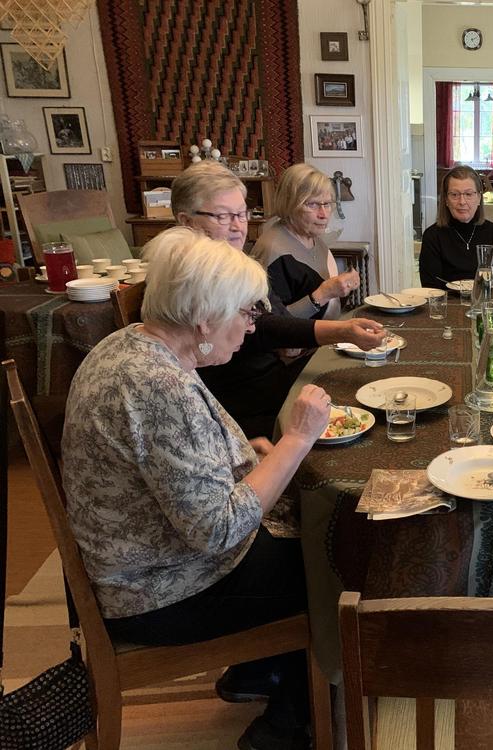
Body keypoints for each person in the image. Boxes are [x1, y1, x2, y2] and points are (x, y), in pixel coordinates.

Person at [62, 228, 336, 750]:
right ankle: (287, 723)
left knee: (302, 528)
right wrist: (296, 440)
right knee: (329, 564)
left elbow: (170, 462)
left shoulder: (130, 344)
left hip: (143, 556)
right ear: (205, 318)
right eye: (248, 312)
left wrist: (240, 453)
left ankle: (256, 671)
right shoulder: (158, 385)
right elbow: (219, 530)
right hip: (159, 590)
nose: (252, 326)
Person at [170, 161, 383, 438]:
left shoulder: (238, 263)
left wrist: (338, 331)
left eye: (242, 214)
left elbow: (276, 316)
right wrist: (342, 331)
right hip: (245, 406)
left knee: (363, 382)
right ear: (186, 222)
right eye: (223, 216)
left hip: (272, 381)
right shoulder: (188, 276)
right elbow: (265, 328)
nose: (237, 227)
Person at [251, 163, 359, 321]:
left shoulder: (313, 237)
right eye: (312, 204)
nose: (323, 214)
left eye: (327, 204)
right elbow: (270, 324)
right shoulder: (272, 252)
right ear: (289, 204)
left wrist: (344, 286)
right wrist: (323, 294)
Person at [418, 163, 493, 289]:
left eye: (469, 194)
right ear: (446, 200)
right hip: (448, 302)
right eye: (454, 195)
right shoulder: (432, 236)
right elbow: (430, 290)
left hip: (488, 301)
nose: (462, 202)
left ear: (479, 198)